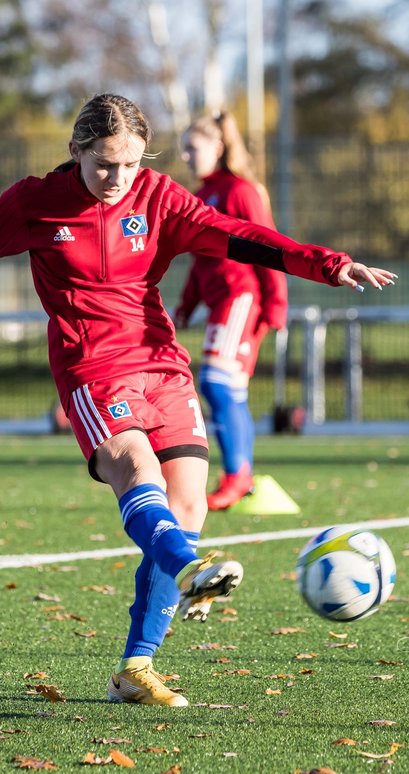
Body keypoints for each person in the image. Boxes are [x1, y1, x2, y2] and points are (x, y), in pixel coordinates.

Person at [0, 93, 395, 707]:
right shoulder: (36, 201)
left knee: (186, 510)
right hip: (91, 368)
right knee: (138, 473)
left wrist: (328, 265)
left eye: (131, 164)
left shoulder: (158, 197)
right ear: (76, 152)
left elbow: (237, 235)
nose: (118, 179)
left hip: (160, 364)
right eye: (105, 164)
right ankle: (191, 573)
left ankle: (134, 668)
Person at [174, 112, 285, 511]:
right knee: (230, 390)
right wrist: (186, 306)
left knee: (218, 386)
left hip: (240, 298)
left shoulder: (239, 191)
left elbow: (271, 247)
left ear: (218, 148)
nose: (186, 156)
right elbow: (198, 258)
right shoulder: (202, 195)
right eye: (183, 149)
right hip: (219, 302)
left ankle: (237, 477)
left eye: (193, 148)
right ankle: (241, 477)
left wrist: (275, 305)